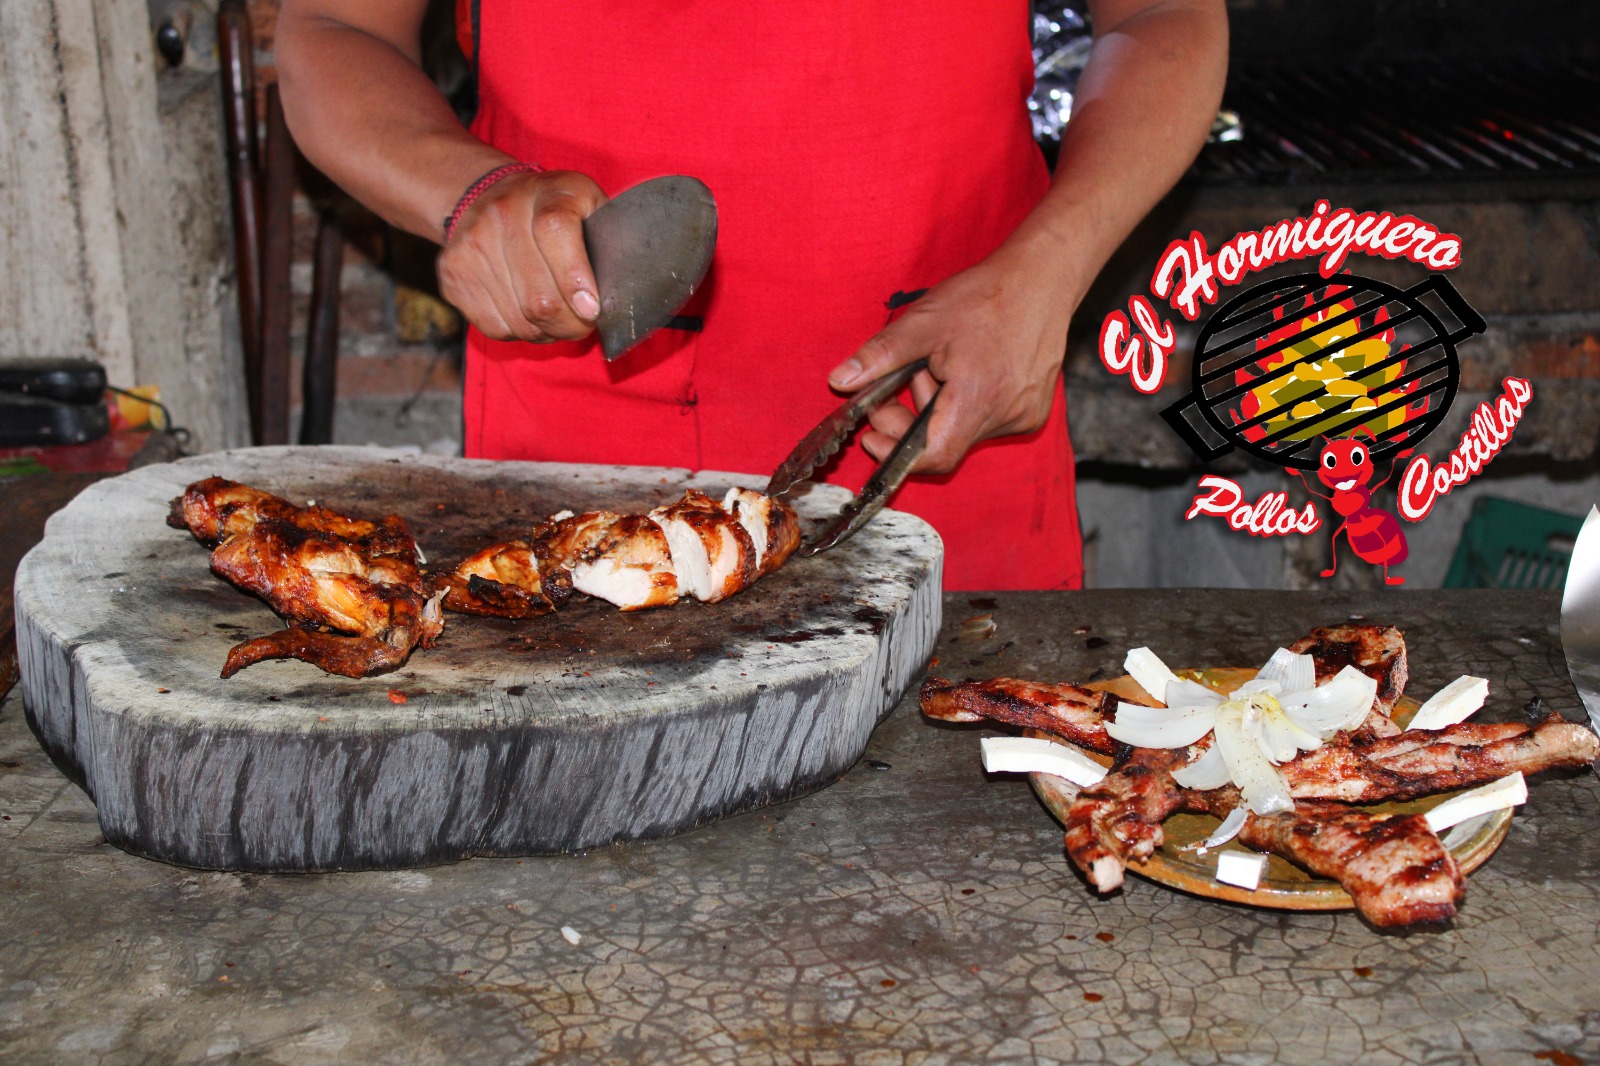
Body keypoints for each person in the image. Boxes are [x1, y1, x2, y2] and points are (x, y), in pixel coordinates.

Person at [275, 0, 1228, 590]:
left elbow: (1164, 14)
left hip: (946, 410)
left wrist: (1049, 275)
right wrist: (466, 191)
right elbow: (335, 26)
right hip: (587, 441)